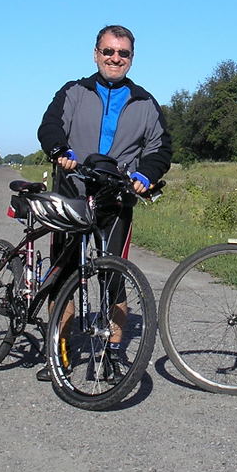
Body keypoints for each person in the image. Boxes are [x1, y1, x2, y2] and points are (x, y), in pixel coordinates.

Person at [36, 25, 172, 380]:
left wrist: (147, 174)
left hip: (116, 200)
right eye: (108, 51)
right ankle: (59, 353)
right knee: (63, 276)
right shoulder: (74, 92)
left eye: (122, 53)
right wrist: (59, 150)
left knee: (114, 277)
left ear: (132, 58)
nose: (115, 58)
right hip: (72, 194)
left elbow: (160, 149)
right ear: (96, 54)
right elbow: (50, 127)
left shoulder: (144, 102)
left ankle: (111, 354)